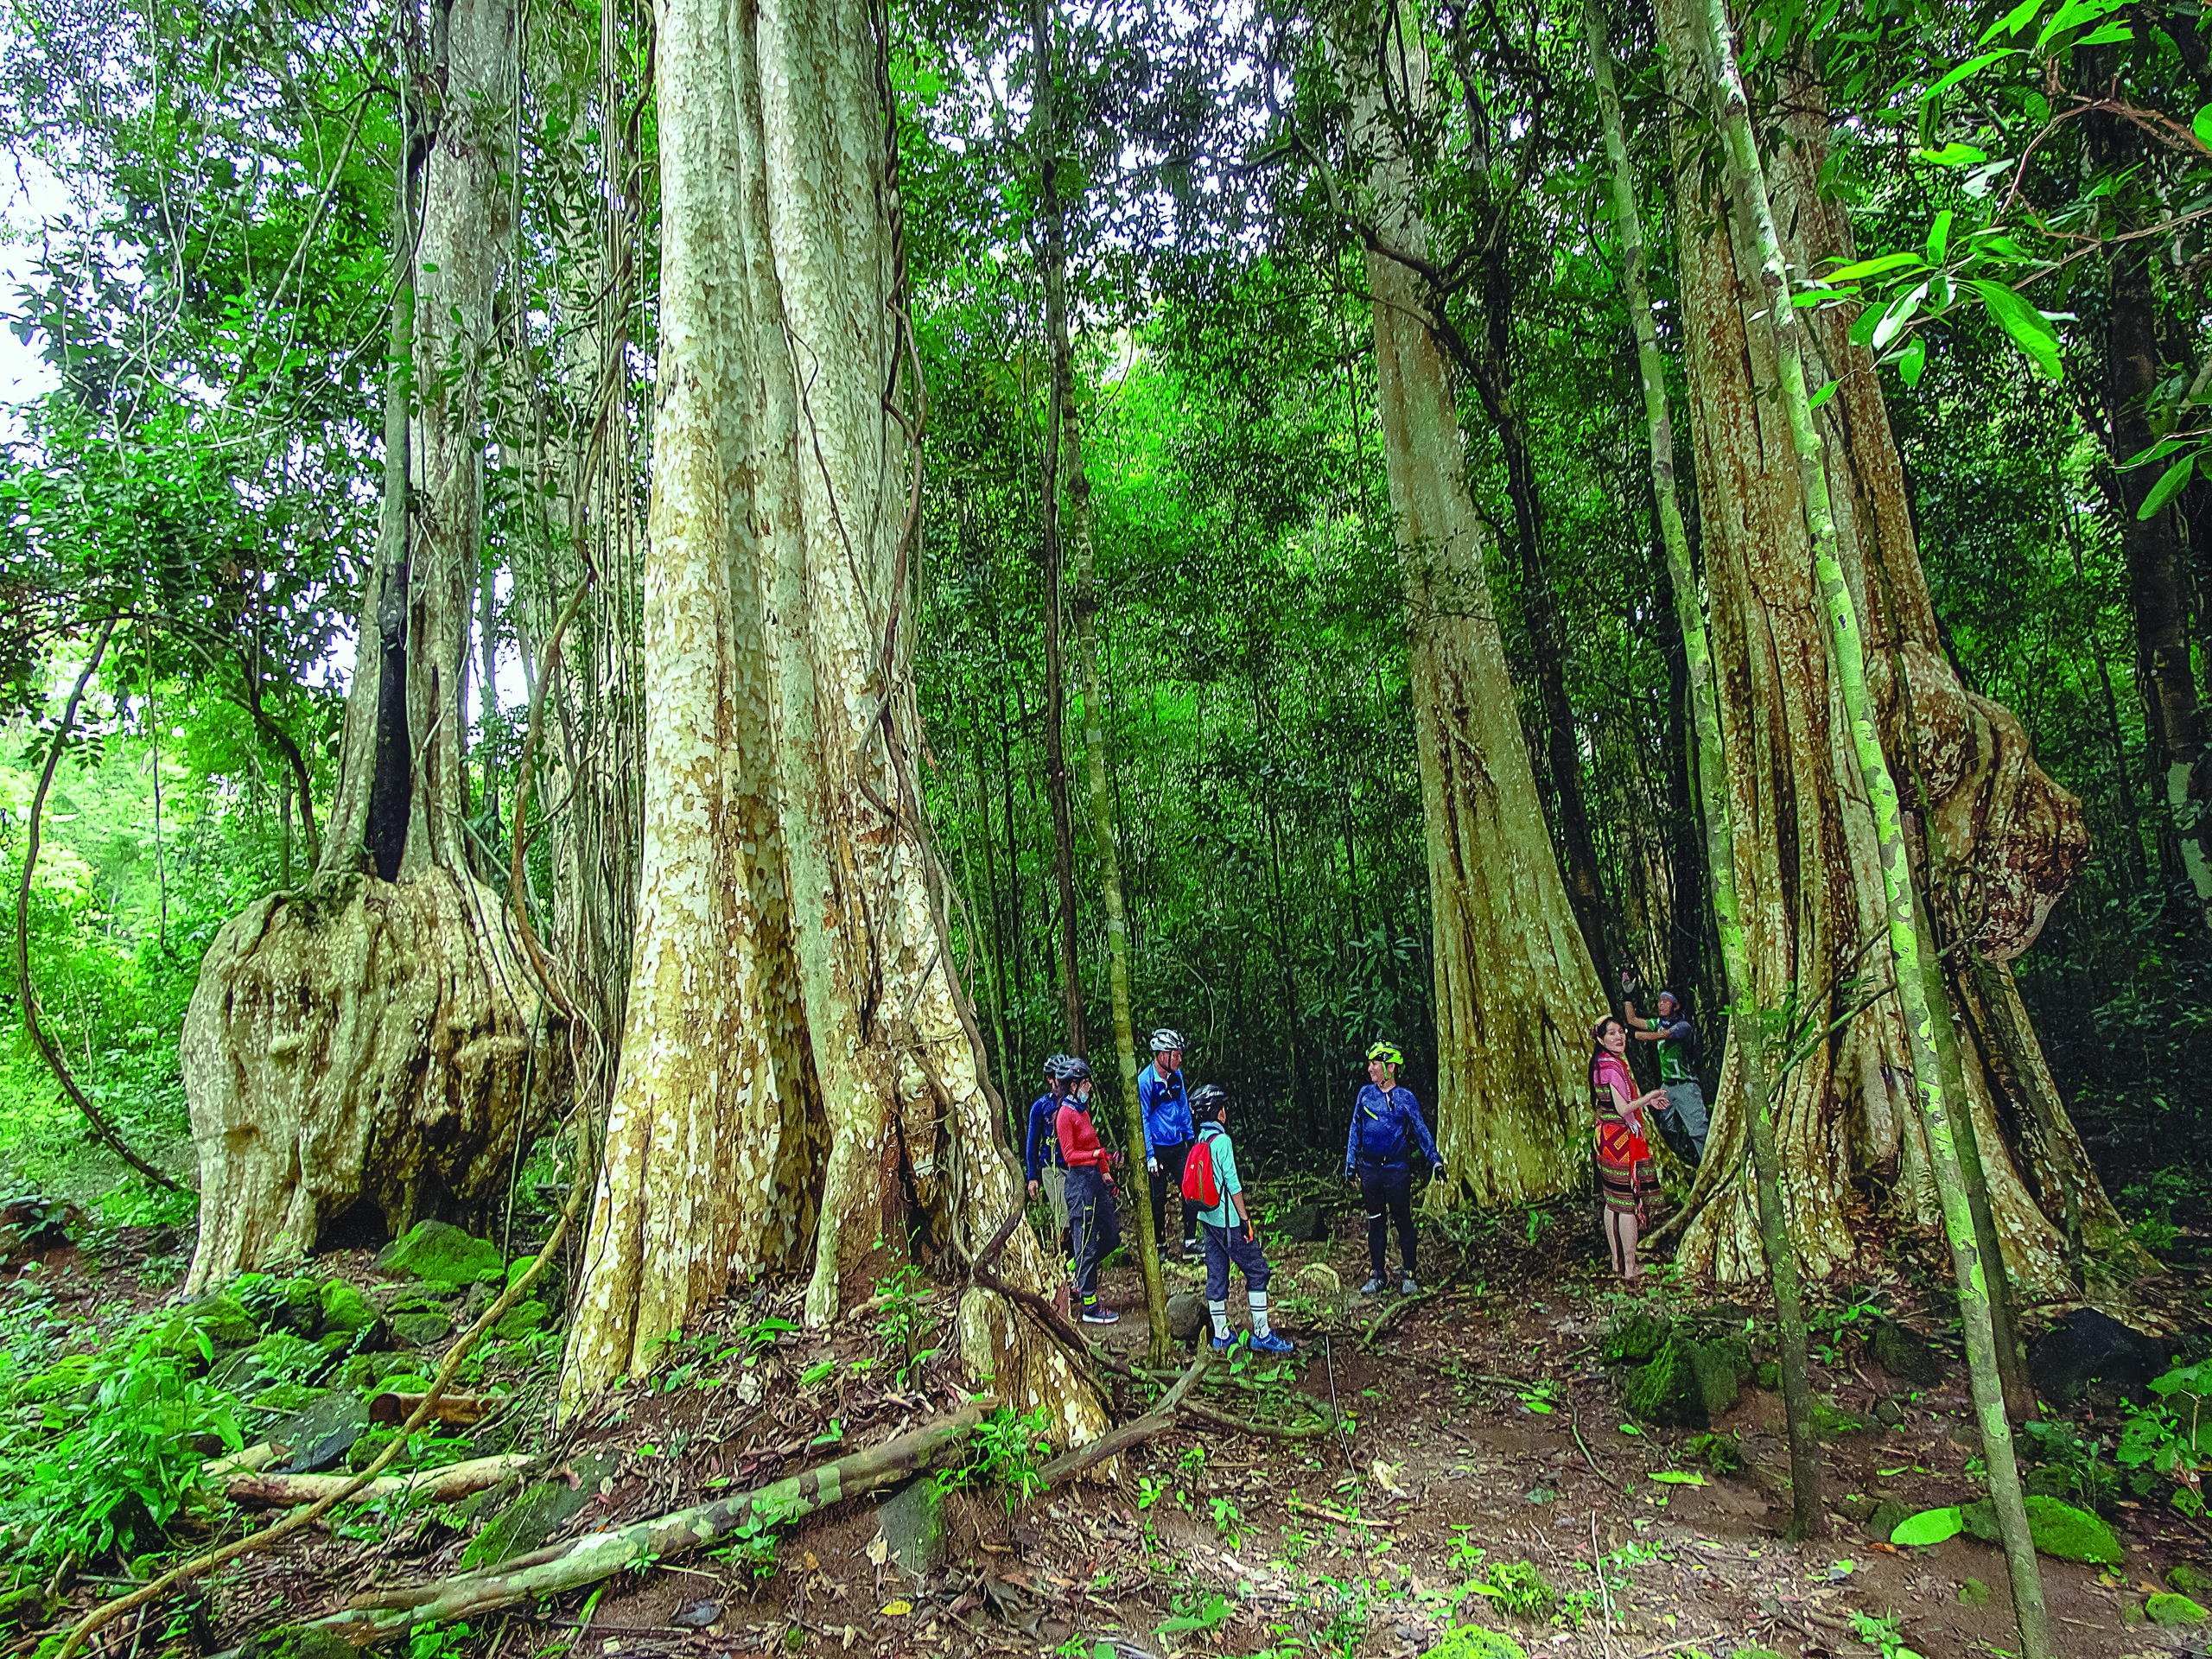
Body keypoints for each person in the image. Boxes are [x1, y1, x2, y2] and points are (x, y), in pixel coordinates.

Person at [1185, 1084, 1294, 1354]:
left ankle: (1221, 1334)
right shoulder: (1222, 1142)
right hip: (1228, 1221)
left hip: (1207, 1219)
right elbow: (1232, 1184)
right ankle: (1262, 1333)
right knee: (1258, 1270)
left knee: (1217, 1273)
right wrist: (1245, 1219)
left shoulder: (1200, 1139)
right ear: (1218, 1113)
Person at [1342, 1041, 1444, 1296]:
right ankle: (1378, 1275)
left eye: (1374, 1064)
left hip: (1397, 1170)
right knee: (1374, 1224)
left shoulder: (1405, 1098)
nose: (1369, 1069)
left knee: (1403, 1221)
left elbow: (1420, 1129)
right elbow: (1356, 1127)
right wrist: (1350, 1163)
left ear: (1390, 1067)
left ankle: (1409, 1273)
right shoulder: (1365, 1094)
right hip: (1371, 1170)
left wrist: (1435, 1160)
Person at [1592, 1015, 1665, 1281]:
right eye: (1612, 1034)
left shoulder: (1601, 1063)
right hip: (1619, 1141)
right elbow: (1623, 1108)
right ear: (1601, 1040)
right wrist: (1648, 1097)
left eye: (1621, 1032)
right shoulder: (1612, 1067)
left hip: (1605, 1136)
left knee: (1612, 1201)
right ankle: (1630, 1267)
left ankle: (1616, 1261)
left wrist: (1644, 1103)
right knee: (1626, 1205)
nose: (1620, 1037)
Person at [1054, 1057, 1122, 1324]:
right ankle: (1090, 1305)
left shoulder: (1082, 1112)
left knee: (1112, 1237)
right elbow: (1070, 1155)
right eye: (1085, 1083)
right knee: (1087, 1244)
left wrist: (1107, 1175)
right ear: (1073, 1086)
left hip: (1095, 1180)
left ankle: (1075, 1271)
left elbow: (1094, 1143)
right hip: (1079, 1183)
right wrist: (1098, 1154)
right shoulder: (1064, 1115)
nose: (1089, 1087)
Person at [1622, 976, 1707, 1166]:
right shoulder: (1658, 1023)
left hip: (1685, 1086)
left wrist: (1634, 1036)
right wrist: (1628, 995)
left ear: (1675, 1006)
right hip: (1666, 1087)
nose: (1660, 1005)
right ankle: (1679, 1165)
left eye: (1665, 1002)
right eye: (1660, 1001)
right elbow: (1632, 1019)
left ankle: (1708, 1168)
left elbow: (1662, 1035)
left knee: (1698, 1131)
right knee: (1667, 1130)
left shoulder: (1683, 1026)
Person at [1139, 1028, 1199, 1263]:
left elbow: (1183, 1107)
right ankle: (1161, 1244)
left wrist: (1191, 1138)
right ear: (1163, 1055)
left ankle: (1190, 1242)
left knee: (1190, 1189)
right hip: (1159, 1148)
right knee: (1158, 1197)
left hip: (1178, 1145)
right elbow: (1143, 1117)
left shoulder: (1177, 1076)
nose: (1180, 1059)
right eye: (1177, 1054)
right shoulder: (1145, 1081)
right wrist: (1150, 1154)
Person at [1025, 1055, 1074, 1263]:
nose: (1058, 1083)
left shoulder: (1073, 1103)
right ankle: (1066, 1260)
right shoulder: (1040, 1106)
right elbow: (1032, 1142)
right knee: (1063, 1217)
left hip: (1074, 1166)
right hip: (1051, 1167)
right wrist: (1032, 1176)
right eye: (1055, 1078)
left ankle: (1077, 1261)